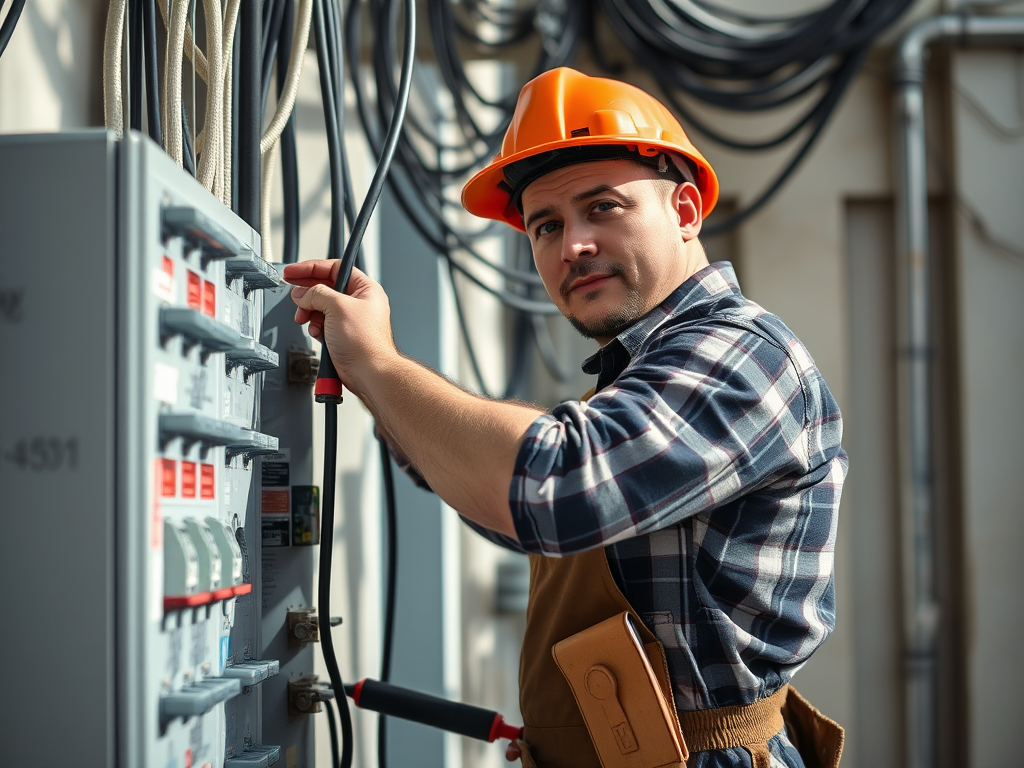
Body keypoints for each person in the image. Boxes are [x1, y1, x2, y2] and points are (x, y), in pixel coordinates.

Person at [284, 67, 847, 768]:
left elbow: (551, 490)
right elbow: (511, 511)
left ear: (685, 209)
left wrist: (380, 366)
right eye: (546, 225)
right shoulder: (639, 382)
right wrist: (375, 379)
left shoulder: (740, 355)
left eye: (603, 208)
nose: (570, 245)